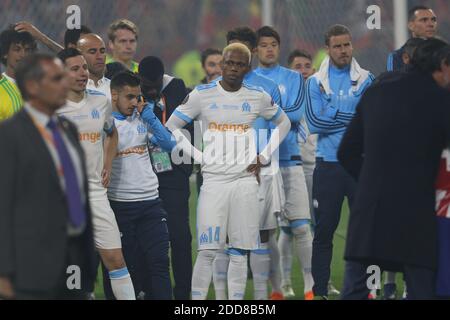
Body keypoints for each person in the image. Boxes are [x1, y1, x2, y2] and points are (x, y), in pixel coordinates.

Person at [166, 43, 291, 300]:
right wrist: (198, 156)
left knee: (239, 251)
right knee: (207, 251)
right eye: (229, 63)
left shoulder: (257, 95)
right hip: (214, 183)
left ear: (247, 67)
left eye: (239, 64)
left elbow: (284, 122)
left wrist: (265, 155)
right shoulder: (202, 94)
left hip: (245, 182)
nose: (233, 68)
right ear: (222, 65)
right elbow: (172, 125)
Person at [338, 39, 450, 300]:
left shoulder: (376, 92)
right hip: (416, 213)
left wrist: (369, 180)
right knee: (421, 288)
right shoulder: (441, 100)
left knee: (355, 289)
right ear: (443, 65)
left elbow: (346, 151)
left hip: (370, 210)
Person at [0, 53, 96, 299]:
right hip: (30, 269)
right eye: (57, 78)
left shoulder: (67, 129)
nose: (65, 83)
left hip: (73, 260)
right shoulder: (9, 136)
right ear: (32, 86)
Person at [56, 48, 135, 300]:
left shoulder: (101, 102)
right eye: (75, 68)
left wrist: (108, 163)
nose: (83, 73)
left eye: (84, 68)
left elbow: (111, 133)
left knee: (115, 258)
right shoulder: (50, 107)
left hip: (96, 193)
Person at [211, 26, 283, 301]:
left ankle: (263, 299)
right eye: (231, 49)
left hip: (261, 170)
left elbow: (279, 126)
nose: (236, 57)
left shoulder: (268, 87)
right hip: (225, 171)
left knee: (262, 236)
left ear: (251, 53)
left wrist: (263, 157)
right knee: (224, 237)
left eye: (242, 50)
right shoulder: (212, 87)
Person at [304, 24, 374, 299]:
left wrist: (331, 108)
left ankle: (367, 289)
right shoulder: (314, 82)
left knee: (367, 230)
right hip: (328, 165)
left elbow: (370, 121)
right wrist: (351, 116)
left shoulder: (367, 79)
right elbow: (315, 122)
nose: (343, 50)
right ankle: (319, 291)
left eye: (347, 45)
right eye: (338, 46)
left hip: (360, 165)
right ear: (327, 49)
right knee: (323, 231)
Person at [255, 26, 314, 300]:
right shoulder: (248, 78)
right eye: (264, 45)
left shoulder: (294, 77)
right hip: (261, 164)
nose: (269, 49)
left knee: (301, 226)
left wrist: (266, 114)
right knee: (267, 232)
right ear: (256, 50)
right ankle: (277, 289)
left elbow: (296, 113)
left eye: (274, 44)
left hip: (290, 160)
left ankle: (309, 286)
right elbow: (278, 115)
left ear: (279, 48)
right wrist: (276, 114)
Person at [107, 71, 175, 299]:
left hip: (151, 205)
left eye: (137, 97)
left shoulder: (142, 120)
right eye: (129, 97)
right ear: (113, 95)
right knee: (130, 268)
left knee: (160, 262)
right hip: (121, 206)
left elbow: (169, 144)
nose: (135, 102)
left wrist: (151, 117)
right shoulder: (105, 125)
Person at [138, 56, 192, 300]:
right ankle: (149, 292)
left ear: (162, 77)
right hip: (143, 175)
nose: (150, 89)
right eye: (145, 84)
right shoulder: (132, 90)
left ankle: (183, 294)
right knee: (148, 240)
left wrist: (186, 168)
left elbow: (190, 128)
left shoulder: (177, 90)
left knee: (179, 236)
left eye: (154, 84)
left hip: (173, 176)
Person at [387, 5, 437, 71]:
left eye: (433, 20)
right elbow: (392, 80)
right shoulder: (398, 56)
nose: (431, 24)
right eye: (424, 20)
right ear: (411, 26)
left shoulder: (444, 51)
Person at [78, 33, 111, 100]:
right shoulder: (71, 90)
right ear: (80, 56)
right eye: (92, 52)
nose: (99, 57)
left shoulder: (115, 89)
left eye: (102, 51)